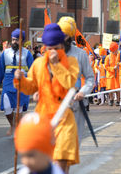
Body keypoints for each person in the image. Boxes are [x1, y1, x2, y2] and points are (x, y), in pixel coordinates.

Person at [13, 23, 79, 173]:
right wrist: (20, 80)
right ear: (45, 48)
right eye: (50, 49)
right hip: (43, 119)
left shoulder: (71, 62)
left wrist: (57, 65)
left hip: (64, 118)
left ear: (62, 45)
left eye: (56, 48)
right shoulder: (38, 64)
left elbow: (70, 83)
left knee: (61, 159)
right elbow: (31, 88)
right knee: (43, 159)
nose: (53, 52)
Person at [57, 16, 94, 144]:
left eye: (64, 35)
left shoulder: (80, 54)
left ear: (69, 36)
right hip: (56, 104)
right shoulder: (51, 53)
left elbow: (90, 78)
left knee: (72, 144)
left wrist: (83, 92)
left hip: (75, 104)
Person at [0, 29, 34, 136]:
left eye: (16, 40)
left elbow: (33, 70)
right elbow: (1, 69)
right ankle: (12, 125)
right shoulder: (5, 53)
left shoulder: (27, 54)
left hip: (22, 82)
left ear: (22, 41)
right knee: (7, 107)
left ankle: (17, 127)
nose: (14, 42)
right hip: (8, 82)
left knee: (18, 107)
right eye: (13, 40)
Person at [105, 42, 120, 106]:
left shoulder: (119, 55)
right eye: (115, 50)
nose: (117, 51)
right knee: (110, 88)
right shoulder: (108, 57)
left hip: (117, 75)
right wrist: (112, 68)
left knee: (117, 88)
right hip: (110, 75)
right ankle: (111, 99)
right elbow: (106, 66)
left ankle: (118, 100)